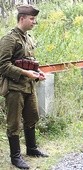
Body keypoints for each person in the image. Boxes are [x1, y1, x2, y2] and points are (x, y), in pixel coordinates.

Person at [0, 5, 48, 169]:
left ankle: (32, 149)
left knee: (32, 117)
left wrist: (37, 71)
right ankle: (15, 157)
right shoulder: (10, 39)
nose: (34, 22)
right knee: (13, 123)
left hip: (28, 86)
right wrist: (26, 73)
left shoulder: (28, 38)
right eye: (32, 19)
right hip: (14, 88)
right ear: (22, 18)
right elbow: (3, 66)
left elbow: (30, 61)